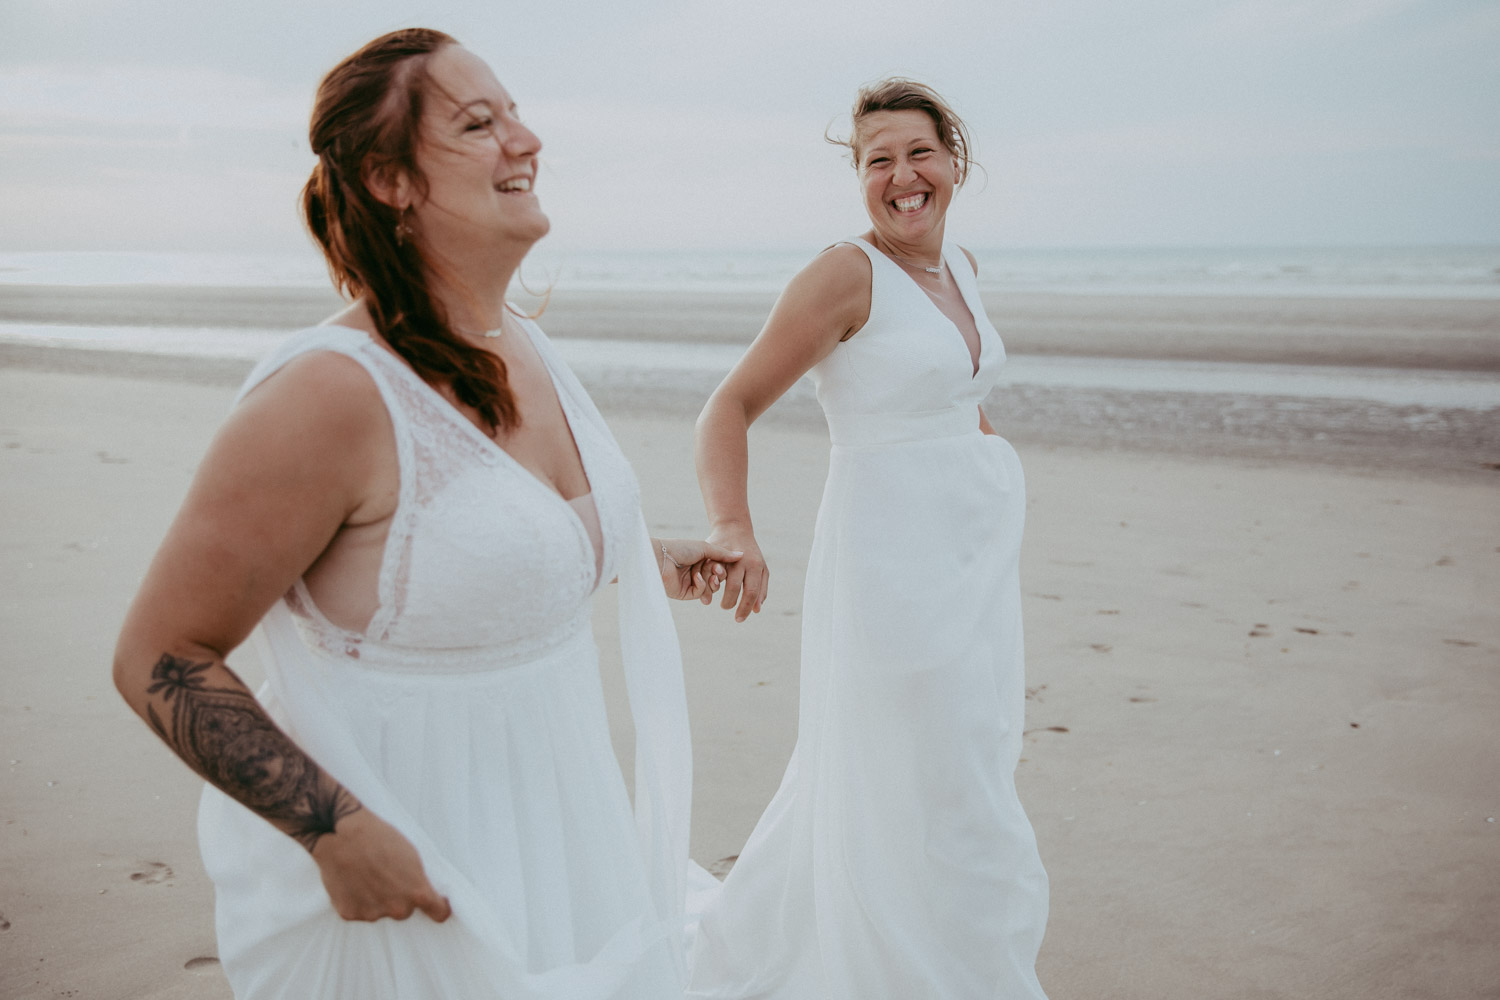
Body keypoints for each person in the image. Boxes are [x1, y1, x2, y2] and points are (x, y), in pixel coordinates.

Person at [112, 28, 738, 999]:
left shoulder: (523, 341)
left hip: (565, 836)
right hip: (412, 870)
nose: (524, 141)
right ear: (390, 179)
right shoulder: (329, 394)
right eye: (478, 123)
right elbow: (160, 654)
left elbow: (461, 547)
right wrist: (337, 830)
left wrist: (628, 550)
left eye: (516, 113)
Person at [685, 79, 1049, 998]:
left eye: (918, 152)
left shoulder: (961, 265)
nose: (901, 176)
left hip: (971, 560)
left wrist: (985, 463)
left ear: (954, 161)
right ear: (859, 179)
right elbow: (727, 406)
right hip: (890, 566)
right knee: (899, 771)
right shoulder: (845, 274)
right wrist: (735, 527)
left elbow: (948, 401)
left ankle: (950, 957)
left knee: (964, 761)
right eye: (876, 160)